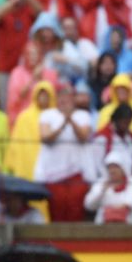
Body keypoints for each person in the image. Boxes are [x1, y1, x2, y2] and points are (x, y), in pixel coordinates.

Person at [35, 85, 93, 222]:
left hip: (76, 172)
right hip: (54, 173)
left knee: (76, 209)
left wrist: (70, 120)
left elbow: (84, 137)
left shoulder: (83, 115)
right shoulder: (47, 115)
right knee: (57, 210)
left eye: (67, 98)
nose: (63, 101)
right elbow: (45, 138)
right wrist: (62, 124)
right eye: (60, 97)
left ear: (73, 99)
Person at [84, 157, 132, 224]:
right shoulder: (101, 183)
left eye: (116, 167)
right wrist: (101, 191)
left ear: (123, 168)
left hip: (129, 223)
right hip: (105, 224)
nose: (112, 170)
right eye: (109, 167)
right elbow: (89, 206)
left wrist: (127, 205)